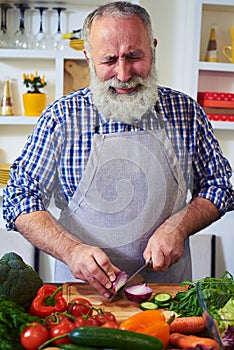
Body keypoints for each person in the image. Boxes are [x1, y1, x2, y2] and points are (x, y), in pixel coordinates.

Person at [3, 2, 233, 298]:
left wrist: (179, 226)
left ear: (153, 48)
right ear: (88, 58)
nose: (124, 75)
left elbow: (219, 185)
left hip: (169, 296)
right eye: (109, 60)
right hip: (82, 299)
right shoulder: (61, 118)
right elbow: (19, 196)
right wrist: (71, 251)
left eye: (135, 56)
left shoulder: (185, 112)